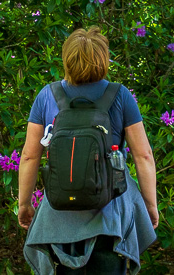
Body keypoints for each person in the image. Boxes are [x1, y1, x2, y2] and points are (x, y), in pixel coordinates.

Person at [19, 26, 159, 275]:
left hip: (58, 214)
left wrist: (25, 203)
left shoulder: (46, 96)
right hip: (110, 213)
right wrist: (149, 205)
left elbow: (30, 156)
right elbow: (143, 155)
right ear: (103, 60)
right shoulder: (120, 96)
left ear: (67, 60)